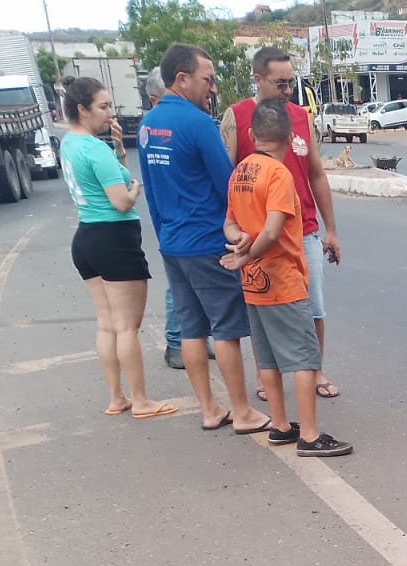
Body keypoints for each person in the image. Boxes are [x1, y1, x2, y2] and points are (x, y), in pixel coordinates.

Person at [137, 43, 269, 434]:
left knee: (192, 329)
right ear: (182, 79)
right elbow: (229, 186)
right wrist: (246, 237)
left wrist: (165, 235)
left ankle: (210, 410)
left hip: (172, 243)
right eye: (207, 80)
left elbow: (152, 189)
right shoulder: (197, 124)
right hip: (208, 242)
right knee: (227, 328)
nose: (212, 89)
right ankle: (242, 411)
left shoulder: (148, 125)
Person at [221, 100, 352, 458]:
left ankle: (280, 426)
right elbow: (275, 231)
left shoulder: (240, 171)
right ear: (291, 136)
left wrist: (239, 245)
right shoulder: (279, 175)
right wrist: (248, 252)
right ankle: (309, 434)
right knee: (305, 358)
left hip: (252, 283)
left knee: (267, 359)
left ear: (250, 135)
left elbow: (229, 223)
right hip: (282, 278)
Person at [220, 45, 342, 402]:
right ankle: (266, 376)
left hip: (304, 230)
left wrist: (330, 229)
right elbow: (227, 177)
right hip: (259, 238)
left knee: (313, 307)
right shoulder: (238, 116)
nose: (288, 91)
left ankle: (314, 368)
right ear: (258, 79)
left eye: (292, 83)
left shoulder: (300, 118)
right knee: (262, 310)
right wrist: (236, 233)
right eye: (280, 83)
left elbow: (316, 174)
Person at [58, 75, 177, 421]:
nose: (110, 112)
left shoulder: (71, 144)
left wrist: (119, 149)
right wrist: (136, 189)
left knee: (107, 324)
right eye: (104, 106)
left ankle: (117, 397)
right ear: (82, 109)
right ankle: (141, 401)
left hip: (86, 238)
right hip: (114, 239)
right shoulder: (94, 149)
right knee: (127, 327)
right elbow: (121, 201)